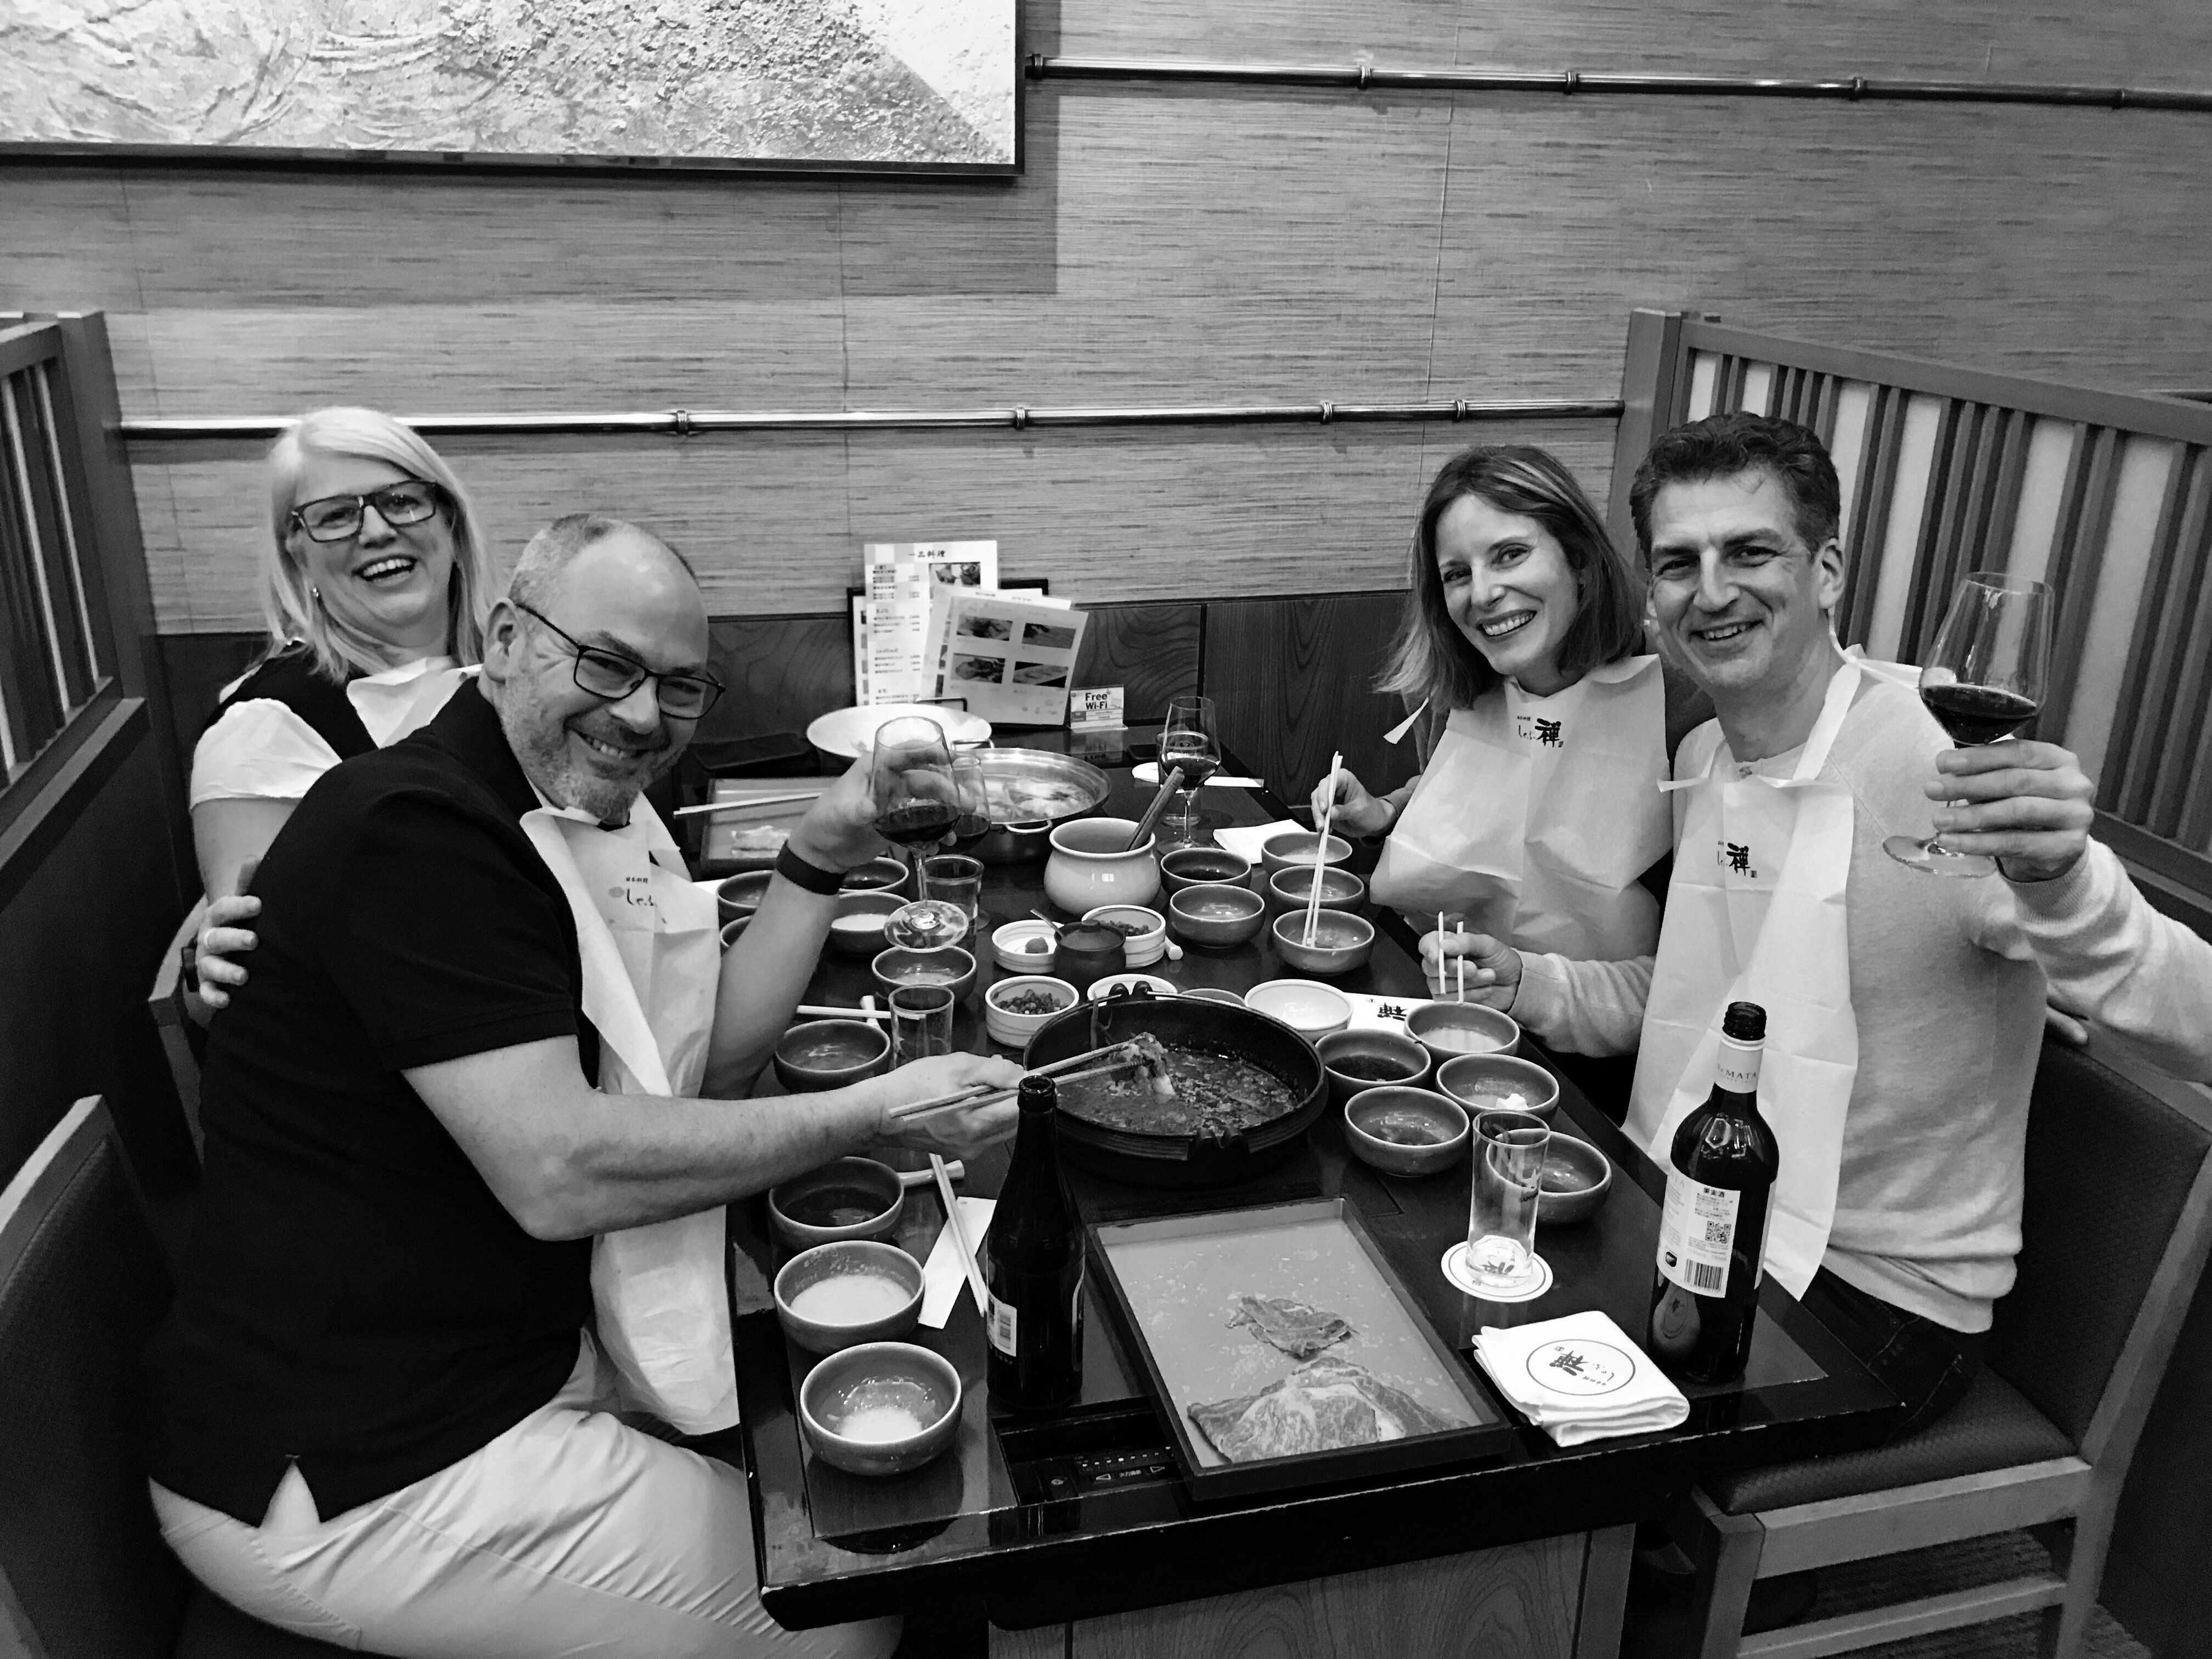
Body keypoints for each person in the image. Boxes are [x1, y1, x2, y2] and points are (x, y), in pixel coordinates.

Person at [143, 513, 1018, 1659]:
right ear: (508, 637)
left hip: (506, 1356)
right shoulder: (415, 831)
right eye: (606, 664)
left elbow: (703, 1062)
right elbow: (561, 1171)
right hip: (354, 1456)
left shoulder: (583, 806)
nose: (644, 715)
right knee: (846, 1601)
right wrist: (879, 1106)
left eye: (681, 686)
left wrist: (820, 847)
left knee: (860, 1480)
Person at [1426, 412, 2212, 1438]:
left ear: (1828, 570)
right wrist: (1527, 982)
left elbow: (2191, 1019)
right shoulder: (1708, 757)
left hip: (1872, 1294)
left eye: (1750, 553)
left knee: (1516, 1417)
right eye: (1680, 564)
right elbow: (1701, 1006)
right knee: (1456, 1292)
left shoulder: (1939, 768)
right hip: (1693, 1218)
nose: (1712, 592)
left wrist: (2064, 882)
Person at [1311, 445, 1708, 968]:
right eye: (1457, 574)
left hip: (1605, 1005)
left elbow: (1704, 934)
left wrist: (1529, 987)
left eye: (1510, 555)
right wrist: (1384, 813)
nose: (1483, 594)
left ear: (1579, 559)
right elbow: (1472, 795)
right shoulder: (1459, 683)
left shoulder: (1683, 702)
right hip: (1446, 970)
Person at [189, 406, 495, 907]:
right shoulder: (263, 730)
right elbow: (263, 947)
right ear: (297, 553)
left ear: (451, 523)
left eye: (401, 501)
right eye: (336, 516)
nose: (376, 532)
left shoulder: (530, 664)